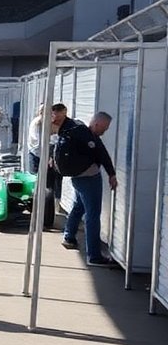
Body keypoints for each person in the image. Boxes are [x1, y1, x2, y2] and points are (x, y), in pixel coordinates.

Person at [56, 109, 117, 266]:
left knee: (79, 206)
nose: (106, 130)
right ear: (97, 124)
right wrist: (111, 174)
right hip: (89, 178)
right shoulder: (90, 137)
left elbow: (102, 153)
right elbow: (103, 155)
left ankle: (69, 237)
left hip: (77, 177)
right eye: (105, 127)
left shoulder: (81, 133)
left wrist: (111, 173)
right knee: (93, 214)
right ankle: (94, 256)